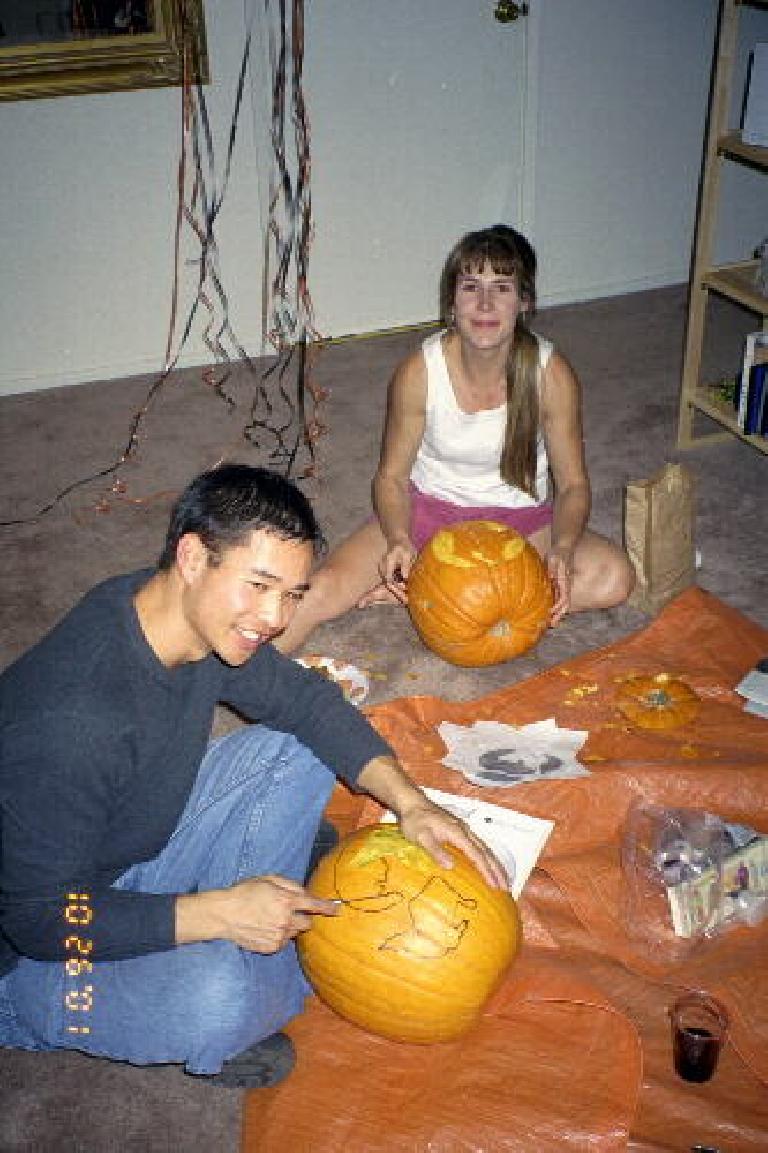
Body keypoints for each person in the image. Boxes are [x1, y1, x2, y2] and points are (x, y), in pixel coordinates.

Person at [0, 464, 505, 1089]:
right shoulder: (74, 727)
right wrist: (219, 914)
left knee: (299, 746)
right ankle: (209, 989)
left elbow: (307, 702)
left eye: (293, 593)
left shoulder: (175, 613)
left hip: (122, 847)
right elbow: (44, 923)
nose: (274, 617)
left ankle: (244, 920)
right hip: (33, 954)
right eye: (260, 585)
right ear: (192, 557)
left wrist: (412, 803)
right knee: (218, 1000)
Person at [274, 224, 634, 655]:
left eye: (501, 287)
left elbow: (573, 485)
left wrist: (562, 546)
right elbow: (389, 479)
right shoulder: (419, 372)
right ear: (451, 302)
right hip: (428, 515)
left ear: (524, 301)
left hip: (519, 524)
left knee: (614, 578)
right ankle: (439, 593)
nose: (484, 303)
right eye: (471, 287)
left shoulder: (550, 374)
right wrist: (399, 540)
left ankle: (435, 597)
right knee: (320, 592)